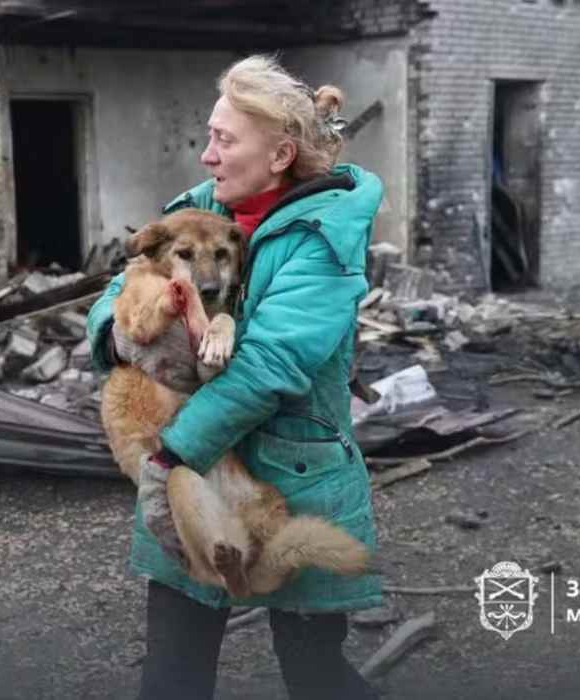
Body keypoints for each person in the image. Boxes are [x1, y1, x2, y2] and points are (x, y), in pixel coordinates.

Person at [86, 55, 384, 700]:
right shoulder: (195, 210)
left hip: (289, 474)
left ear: (279, 154)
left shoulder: (322, 238)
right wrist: (117, 335)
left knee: (315, 676)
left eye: (223, 140)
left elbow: (271, 366)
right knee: (172, 674)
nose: (206, 155)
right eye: (209, 135)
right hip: (193, 479)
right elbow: (116, 293)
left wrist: (172, 453)